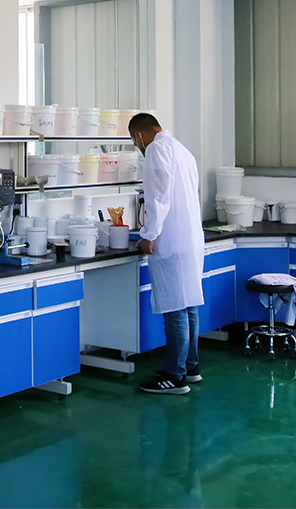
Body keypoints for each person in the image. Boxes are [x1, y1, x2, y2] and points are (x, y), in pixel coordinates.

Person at [129, 113, 204, 395]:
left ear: (139, 136)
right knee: (189, 304)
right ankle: (190, 367)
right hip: (190, 238)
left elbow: (158, 198)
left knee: (175, 309)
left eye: (134, 141)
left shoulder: (156, 149)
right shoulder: (182, 150)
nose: (138, 147)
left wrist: (148, 235)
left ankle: (174, 376)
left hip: (171, 240)